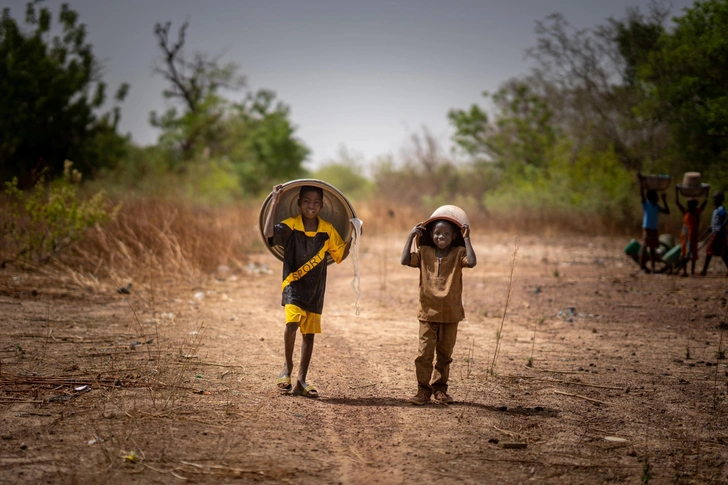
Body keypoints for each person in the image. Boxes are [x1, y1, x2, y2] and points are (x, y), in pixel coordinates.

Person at [263, 184, 353, 398]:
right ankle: (287, 366)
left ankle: (301, 381)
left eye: (315, 202)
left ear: (321, 205)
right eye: (306, 201)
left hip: (315, 289)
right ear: (298, 203)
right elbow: (268, 233)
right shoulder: (290, 226)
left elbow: (340, 255)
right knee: (292, 323)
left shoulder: (327, 229)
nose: (310, 206)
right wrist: (274, 201)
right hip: (292, 283)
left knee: (309, 335)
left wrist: (356, 233)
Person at [401, 216, 476, 405]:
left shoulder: (459, 253)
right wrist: (410, 237)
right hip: (427, 312)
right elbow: (404, 260)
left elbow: (472, 262)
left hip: (451, 314)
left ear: (453, 236)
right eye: (436, 233)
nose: (440, 236)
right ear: (430, 235)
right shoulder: (424, 252)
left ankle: (440, 390)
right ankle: (422, 391)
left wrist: (467, 238)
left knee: (444, 355)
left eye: (445, 234)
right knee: (424, 354)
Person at [638, 173, 670, 273]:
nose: (657, 198)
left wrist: (665, 200)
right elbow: (642, 193)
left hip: (654, 229)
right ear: (651, 197)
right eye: (656, 196)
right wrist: (641, 182)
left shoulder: (656, 206)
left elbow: (667, 212)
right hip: (648, 228)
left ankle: (652, 268)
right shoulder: (646, 204)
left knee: (652, 249)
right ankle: (641, 267)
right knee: (644, 247)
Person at [675, 186, 708, 276]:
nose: (689, 206)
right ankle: (685, 272)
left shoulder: (696, 212)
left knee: (692, 254)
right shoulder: (686, 211)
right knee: (685, 254)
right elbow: (677, 203)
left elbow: (705, 202)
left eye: (691, 204)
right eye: (688, 204)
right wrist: (676, 191)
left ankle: (692, 271)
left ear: (694, 206)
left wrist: (706, 191)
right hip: (685, 237)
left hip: (693, 236)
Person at [700, 190, 728, 276]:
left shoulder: (721, 209)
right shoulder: (715, 210)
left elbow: (726, 218)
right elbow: (716, 221)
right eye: (714, 198)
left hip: (719, 234)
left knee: (709, 250)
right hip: (715, 232)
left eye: (716, 198)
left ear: (720, 199)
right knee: (723, 253)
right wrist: (711, 227)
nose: (714, 200)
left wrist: (721, 227)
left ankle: (704, 270)